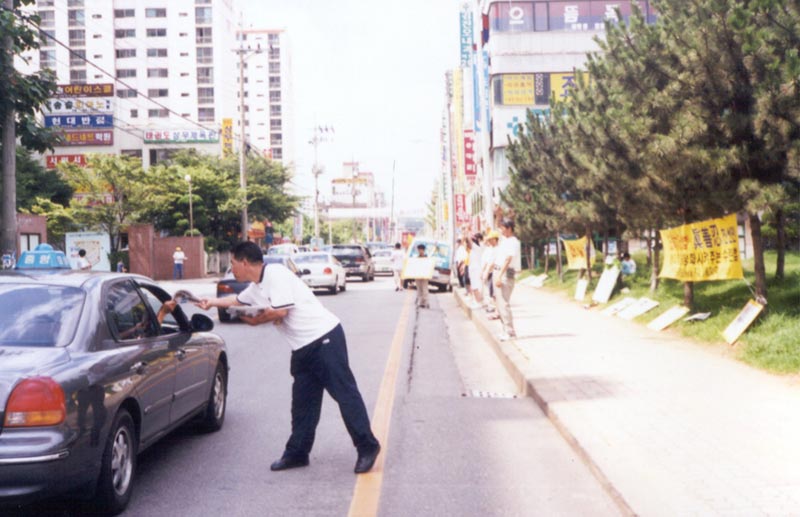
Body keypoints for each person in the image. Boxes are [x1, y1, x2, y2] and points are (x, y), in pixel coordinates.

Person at [195, 241, 381, 474]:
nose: (232, 269)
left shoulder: (275, 274)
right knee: (303, 403)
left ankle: (367, 446)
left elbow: (280, 311)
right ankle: (297, 453)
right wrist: (211, 302)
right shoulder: (256, 286)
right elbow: (237, 301)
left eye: (233, 263)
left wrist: (256, 320)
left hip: (324, 339)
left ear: (244, 262)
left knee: (345, 394)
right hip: (302, 347)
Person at [494, 219, 521, 341]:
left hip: (505, 272)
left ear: (509, 228)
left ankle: (510, 331)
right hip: (500, 271)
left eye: (503, 228)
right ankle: (505, 330)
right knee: (500, 303)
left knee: (504, 303)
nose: (501, 230)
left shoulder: (513, 242)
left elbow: (508, 259)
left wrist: (499, 275)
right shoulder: (505, 240)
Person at [481, 230, 500, 314]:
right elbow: (488, 262)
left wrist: (486, 272)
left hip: (495, 272)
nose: (489, 241)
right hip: (491, 272)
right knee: (492, 292)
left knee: (495, 293)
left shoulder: (497, 249)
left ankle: (497, 310)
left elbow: (492, 263)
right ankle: (496, 309)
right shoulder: (491, 249)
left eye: (491, 239)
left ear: (495, 239)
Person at [467, 233, 484, 309]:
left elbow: (469, 241)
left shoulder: (477, 247)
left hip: (476, 269)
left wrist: (467, 232)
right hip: (474, 269)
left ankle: (478, 302)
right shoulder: (476, 247)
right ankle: (477, 301)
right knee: (475, 286)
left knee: (475, 286)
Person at [414, 243, 430, 309]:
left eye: (421, 250)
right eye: (419, 250)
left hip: (425, 275)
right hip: (418, 275)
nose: (419, 251)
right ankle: (421, 302)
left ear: (423, 250)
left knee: (424, 289)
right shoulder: (416, 258)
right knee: (419, 289)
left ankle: (426, 302)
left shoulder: (427, 258)